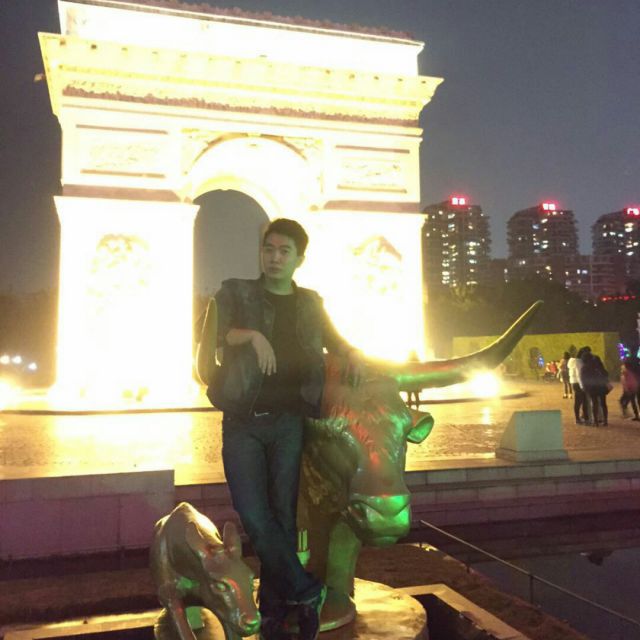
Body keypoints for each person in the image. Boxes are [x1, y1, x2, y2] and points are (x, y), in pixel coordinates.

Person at [199, 218, 362, 640]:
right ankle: (306, 591)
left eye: (284, 251)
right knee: (254, 514)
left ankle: (275, 608)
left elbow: (336, 341)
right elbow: (214, 332)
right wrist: (251, 336)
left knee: (284, 520)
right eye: (268, 249)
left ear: (299, 259)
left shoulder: (310, 303)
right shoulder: (236, 292)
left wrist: (355, 355)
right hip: (242, 422)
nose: (274, 257)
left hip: (288, 422)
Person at [580, 350, 610, 426]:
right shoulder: (597, 365)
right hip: (601, 385)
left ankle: (595, 421)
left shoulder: (584, 368)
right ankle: (605, 421)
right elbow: (605, 373)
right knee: (603, 403)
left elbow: (583, 379)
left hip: (591, 387)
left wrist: (585, 388)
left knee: (594, 403)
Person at [569, 348, 589, 424]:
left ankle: (578, 418)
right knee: (584, 401)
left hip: (574, 383)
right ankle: (585, 418)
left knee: (577, 401)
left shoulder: (572, 361)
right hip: (579, 383)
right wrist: (582, 386)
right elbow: (579, 375)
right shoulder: (578, 362)